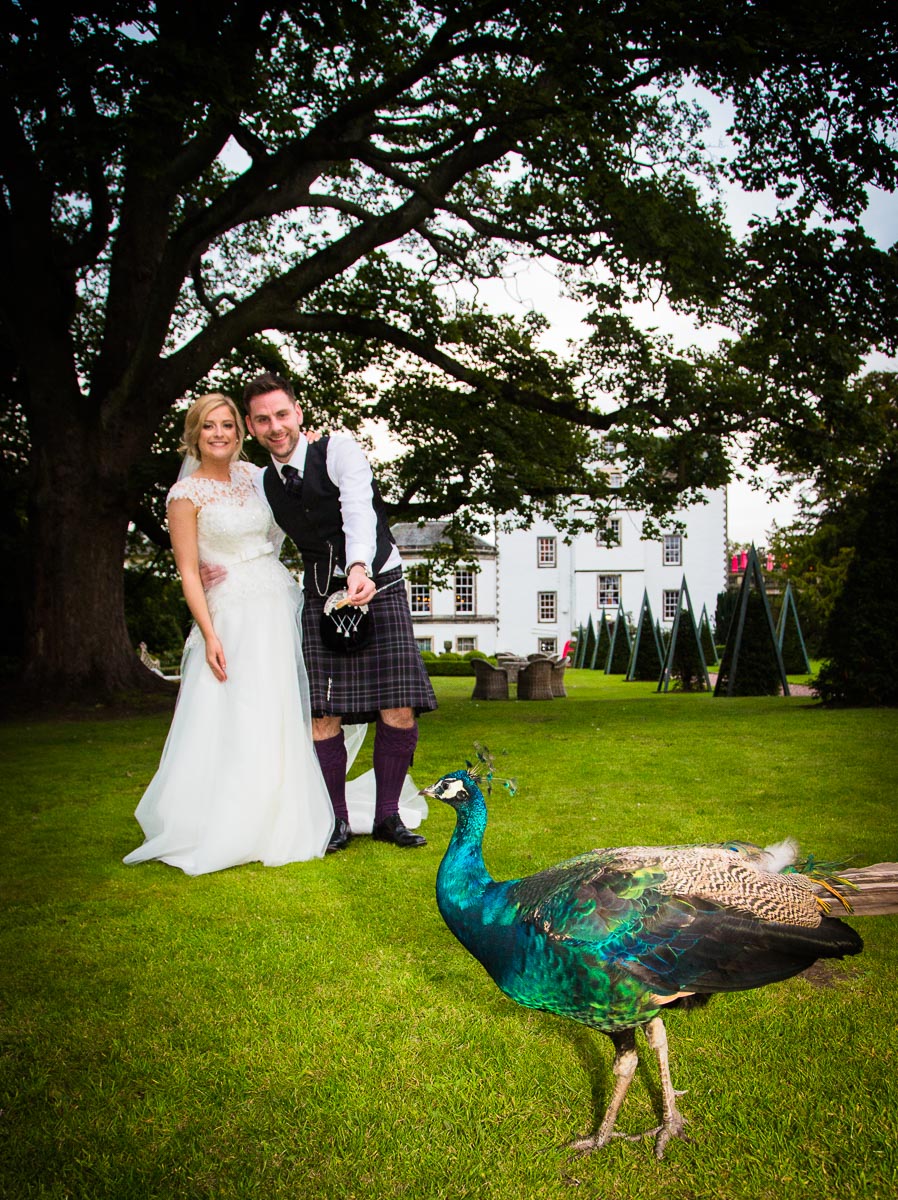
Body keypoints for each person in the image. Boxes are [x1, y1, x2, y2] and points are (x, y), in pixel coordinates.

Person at [123, 393, 340, 875]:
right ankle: (230, 818)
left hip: (276, 602)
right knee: (235, 711)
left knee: (279, 706)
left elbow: (288, 521)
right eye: (208, 426)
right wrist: (210, 634)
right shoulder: (185, 495)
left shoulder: (257, 477)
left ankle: (282, 811)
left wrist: (312, 452)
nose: (218, 434)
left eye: (226, 425)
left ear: (240, 431)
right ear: (194, 435)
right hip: (230, 615)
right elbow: (187, 569)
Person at [239, 371, 437, 852]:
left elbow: (358, 510)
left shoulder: (339, 451)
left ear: (298, 412)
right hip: (318, 595)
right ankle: (336, 822)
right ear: (250, 425)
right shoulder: (263, 483)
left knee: (398, 704)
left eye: (281, 414)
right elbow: (264, 541)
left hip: (378, 583)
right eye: (263, 419)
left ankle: (388, 816)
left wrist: (358, 567)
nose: (275, 427)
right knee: (322, 712)